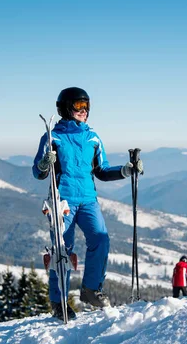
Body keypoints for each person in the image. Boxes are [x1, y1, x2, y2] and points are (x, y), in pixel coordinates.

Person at [33, 87, 144, 320]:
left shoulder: (93, 137)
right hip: (62, 200)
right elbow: (38, 172)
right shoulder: (53, 137)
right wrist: (45, 163)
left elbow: (102, 171)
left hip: (88, 200)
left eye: (86, 106)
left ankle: (91, 290)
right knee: (63, 251)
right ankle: (59, 302)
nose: (83, 111)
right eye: (78, 106)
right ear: (65, 108)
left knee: (100, 239)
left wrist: (126, 170)